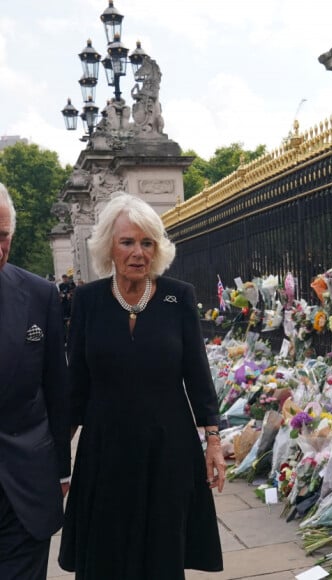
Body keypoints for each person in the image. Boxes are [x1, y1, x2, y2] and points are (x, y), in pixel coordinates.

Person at [58, 192, 226, 579]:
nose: (138, 252)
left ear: (157, 248)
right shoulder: (87, 301)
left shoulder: (177, 296)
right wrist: (57, 462)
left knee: (162, 555)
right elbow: (76, 386)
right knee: (106, 556)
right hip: (105, 450)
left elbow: (197, 374)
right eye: (127, 242)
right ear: (109, 248)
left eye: (147, 242)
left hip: (168, 450)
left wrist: (213, 441)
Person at [0, 183, 70, 579]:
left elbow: (56, 388)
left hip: (25, 488)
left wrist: (61, 469)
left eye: (3, 236)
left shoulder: (39, 294)